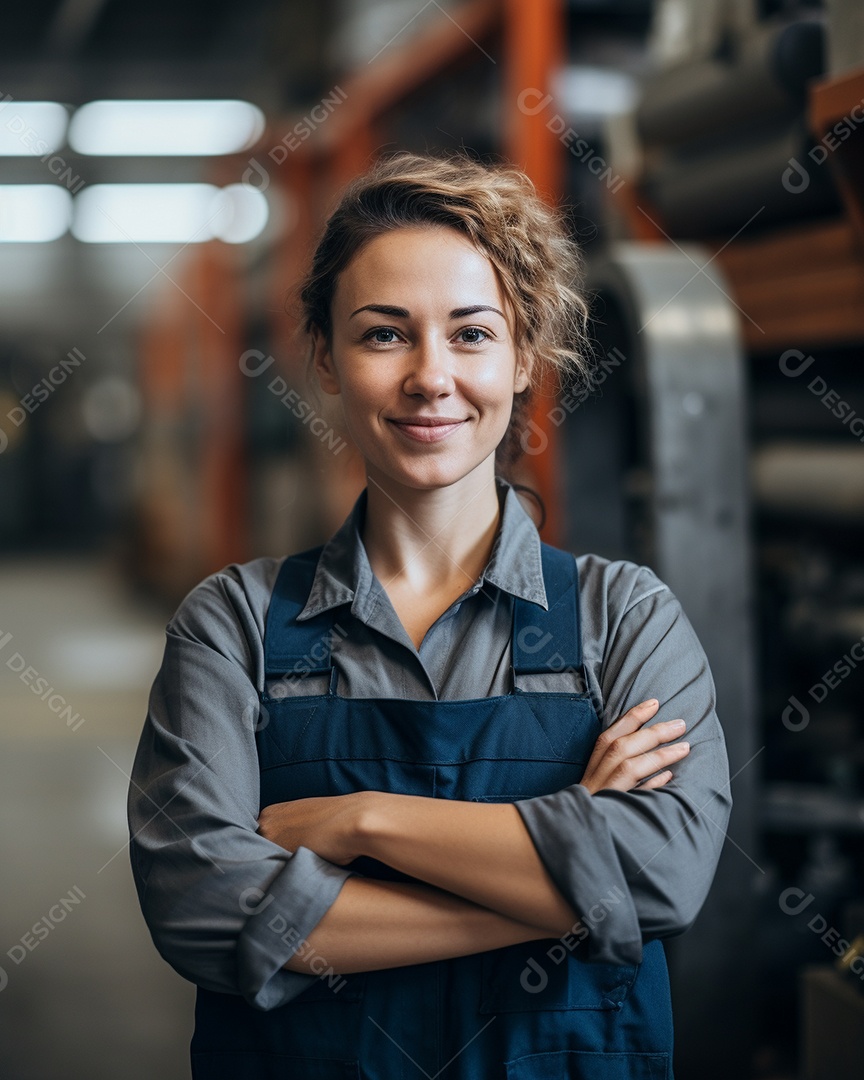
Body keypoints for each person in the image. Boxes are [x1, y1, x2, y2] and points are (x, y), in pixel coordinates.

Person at [128, 151, 732, 1080]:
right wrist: (572, 889)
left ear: (524, 356)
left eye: (472, 333)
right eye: (384, 335)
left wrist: (361, 823)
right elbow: (205, 909)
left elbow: (664, 873)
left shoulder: (625, 620)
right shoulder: (233, 628)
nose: (431, 376)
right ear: (325, 359)